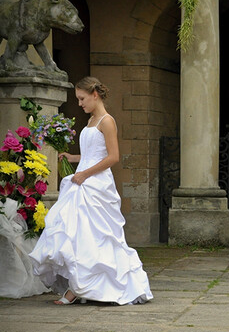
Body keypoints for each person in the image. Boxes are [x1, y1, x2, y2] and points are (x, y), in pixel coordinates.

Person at [29, 77, 153, 305]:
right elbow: (92, 154)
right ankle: (78, 285)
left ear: (95, 94)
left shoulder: (107, 121)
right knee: (79, 235)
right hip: (82, 182)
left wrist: (85, 174)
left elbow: (113, 157)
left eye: (82, 98)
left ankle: (85, 288)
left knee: (96, 236)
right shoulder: (91, 120)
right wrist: (73, 158)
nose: (79, 103)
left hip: (96, 185)